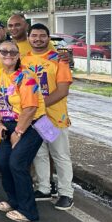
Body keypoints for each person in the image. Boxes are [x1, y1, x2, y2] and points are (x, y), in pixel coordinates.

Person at [23, 23, 75, 211]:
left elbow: (62, 90)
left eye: (42, 35)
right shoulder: (24, 60)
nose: (38, 39)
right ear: (28, 38)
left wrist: (37, 105)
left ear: (48, 38)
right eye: (34, 35)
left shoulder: (59, 59)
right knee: (40, 153)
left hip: (54, 116)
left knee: (60, 155)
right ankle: (44, 188)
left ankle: (66, 193)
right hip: (35, 118)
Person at [0, 40, 46, 222]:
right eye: (4, 52)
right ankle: (14, 200)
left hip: (30, 126)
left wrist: (19, 132)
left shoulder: (26, 76)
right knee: (2, 160)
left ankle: (28, 211)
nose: (8, 55)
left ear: (18, 55)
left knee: (17, 163)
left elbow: (31, 108)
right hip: (7, 125)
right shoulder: (1, 74)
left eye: (12, 52)